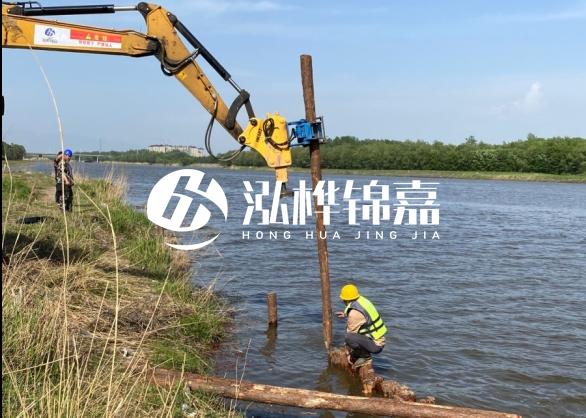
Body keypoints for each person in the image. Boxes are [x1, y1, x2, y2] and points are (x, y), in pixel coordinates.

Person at [335, 284, 387, 368]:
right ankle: (361, 353)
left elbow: (350, 333)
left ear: (345, 300)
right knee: (352, 338)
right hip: (378, 340)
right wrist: (346, 314)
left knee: (348, 337)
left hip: (376, 345)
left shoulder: (354, 314)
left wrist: (347, 353)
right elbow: (363, 316)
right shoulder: (362, 301)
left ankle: (366, 357)